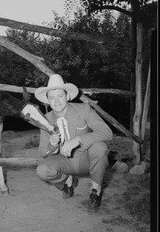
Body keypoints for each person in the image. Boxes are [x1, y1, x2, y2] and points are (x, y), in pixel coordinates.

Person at [34, 74, 113, 210]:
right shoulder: (45, 120)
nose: (56, 101)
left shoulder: (84, 109)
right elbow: (42, 151)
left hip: (85, 158)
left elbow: (107, 133)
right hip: (64, 161)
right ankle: (67, 180)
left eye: (60, 96)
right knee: (42, 170)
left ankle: (96, 189)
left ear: (68, 96)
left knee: (100, 147)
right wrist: (51, 146)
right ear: (47, 101)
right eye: (52, 98)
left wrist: (78, 140)